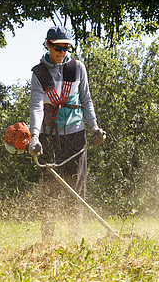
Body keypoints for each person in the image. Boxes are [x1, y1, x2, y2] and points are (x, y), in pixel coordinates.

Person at [28, 26, 105, 242]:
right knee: (50, 192)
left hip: (76, 135)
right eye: (57, 47)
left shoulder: (77, 68)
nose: (62, 52)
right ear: (48, 45)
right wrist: (34, 137)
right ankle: (47, 242)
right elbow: (36, 107)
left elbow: (86, 100)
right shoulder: (38, 73)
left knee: (77, 190)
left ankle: (75, 240)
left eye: (66, 47)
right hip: (49, 137)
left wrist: (94, 128)